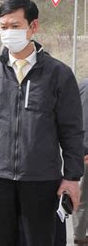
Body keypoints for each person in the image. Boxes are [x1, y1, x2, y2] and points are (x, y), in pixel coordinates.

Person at [0, 0, 84, 246]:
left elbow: (71, 130)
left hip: (42, 178)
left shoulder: (57, 74)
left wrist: (72, 177)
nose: (8, 33)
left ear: (33, 26)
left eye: (15, 26)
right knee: (3, 241)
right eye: (3, 27)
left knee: (42, 240)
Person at [73, 78, 88, 245]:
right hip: (84, 152)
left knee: (82, 195)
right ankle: (80, 236)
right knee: (83, 195)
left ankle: (80, 233)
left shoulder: (81, 85)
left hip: (80, 150)